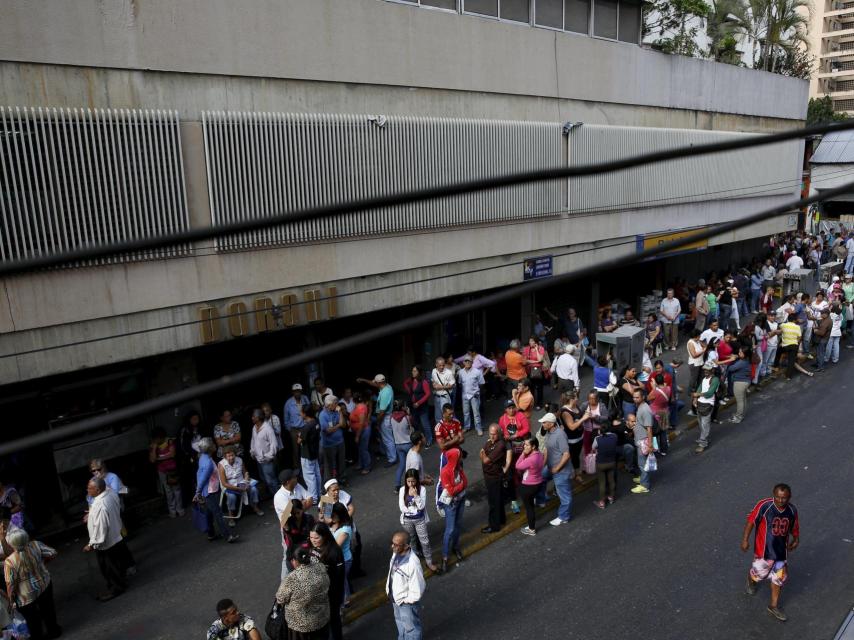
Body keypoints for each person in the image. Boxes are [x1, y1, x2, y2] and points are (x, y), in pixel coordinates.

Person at [742, 484, 800, 622]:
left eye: (784, 498)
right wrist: (745, 540)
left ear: (789, 497)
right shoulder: (764, 506)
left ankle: (773, 606)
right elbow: (751, 522)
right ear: (773, 495)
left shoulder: (792, 510)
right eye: (778, 497)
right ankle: (751, 580)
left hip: (780, 553)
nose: (780, 500)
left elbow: (794, 526)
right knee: (759, 575)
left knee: (778, 578)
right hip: (764, 552)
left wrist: (796, 539)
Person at [4, 529, 61, 640]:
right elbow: (53, 553)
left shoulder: (10, 562)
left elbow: (10, 584)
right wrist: (42, 563)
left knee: (32, 619)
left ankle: (37, 637)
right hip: (44, 584)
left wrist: (11, 599)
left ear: (11, 544)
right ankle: (54, 631)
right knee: (48, 610)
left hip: (25, 595)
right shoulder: (36, 545)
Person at [84, 477, 129, 600]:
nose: (87, 490)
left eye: (90, 488)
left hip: (106, 543)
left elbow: (100, 528)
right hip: (116, 536)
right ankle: (121, 583)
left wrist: (92, 544)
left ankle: (116, 589)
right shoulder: (110, 493)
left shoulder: (100, 505)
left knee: (108, 567)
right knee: (116, 563)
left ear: (98, 490)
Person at [276, 545, 330, 640]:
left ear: (294, 561)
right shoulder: (321, 567)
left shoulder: (292, 579)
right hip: (322, 617)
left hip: (301, 625)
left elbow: (280, 599)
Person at [195, 438, 238, 544]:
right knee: (218, 514)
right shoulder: (208, 463)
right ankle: (228, 536)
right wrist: (198, 492)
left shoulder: (203, 457)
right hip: (211, 491)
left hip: (207, 491)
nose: (215, 445)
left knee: (209, 513)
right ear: (210, 448)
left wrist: (199, 491)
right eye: (213, 444)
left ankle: (211, 534)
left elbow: (198, 473)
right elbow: (203, 478)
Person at [386, 530, 426, 640]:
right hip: (396, 599)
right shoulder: (396, 553)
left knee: (411, 629)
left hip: (405, 602)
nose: (392, 546)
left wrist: (405, 601)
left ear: (406, 546)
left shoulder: (413, 564)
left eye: (396, 545)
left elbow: (418, 589)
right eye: (392, 543)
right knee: (400, 622)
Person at [308, 523, 345, 640]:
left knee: (334, 619)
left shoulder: (334, 552)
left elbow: (339, 577)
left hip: (331, 594)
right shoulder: (312, 548)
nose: (313, 540)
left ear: (324, 536)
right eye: (311, 537)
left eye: (316, 538)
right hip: (316, 594)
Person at [274, 469, 312, 580]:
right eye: (294, 477)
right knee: (289, 555)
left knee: (306, 548)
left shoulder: (297, 486)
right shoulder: (279, 496)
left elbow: (310, 499)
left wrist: (299, 507)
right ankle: (284, 582)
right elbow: (293, 515)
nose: (296, 478)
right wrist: (301, 505)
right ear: (287, 482)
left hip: (303, 525)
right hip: (289, 530)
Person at [398, 470, 438, 573]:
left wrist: (415, 495)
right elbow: (402, 507)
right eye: (408, 481)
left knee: (425, 541)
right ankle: (415, 560)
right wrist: (414, 511)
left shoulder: (422, 489)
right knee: (412, 540)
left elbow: (421, 506)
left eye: (413, 481)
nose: (411, 484)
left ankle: (429, 562)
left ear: (417, 480)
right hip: (407, 520)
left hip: (419, 520)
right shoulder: (402, 490)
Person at [538, 413, 573, 526]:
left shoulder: (560, 435)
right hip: (550, 467)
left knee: (564, 496)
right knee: (540, 478)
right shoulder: (549, 433)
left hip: (560, 470)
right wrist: (542, 465)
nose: (542, 424)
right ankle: (542, 500)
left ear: (551, 423)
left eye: (544, 422)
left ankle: (564, 517)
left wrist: (557, 468)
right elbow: (547, 450)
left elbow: (566, 455)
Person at [357, 373, 396, 468]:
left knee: (388, 439)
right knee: (386, 438)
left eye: (376, 383)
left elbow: (382, 412)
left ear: (379, 383)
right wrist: (363, 380)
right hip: (386, 416)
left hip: (385, 418)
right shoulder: (386, 386)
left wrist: (378, 422)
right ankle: (386, 453)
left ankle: (392, 459)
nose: (374, 384)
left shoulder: (385, 393)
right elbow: (373, 384)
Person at [438, 447, 467, 573]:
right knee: (450, 530)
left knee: (458, 526)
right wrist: (461, 486)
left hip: (460, 499)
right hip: (451, 504)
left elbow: (466, 482)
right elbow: (450, 491)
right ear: (455, 458)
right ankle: (444, 557)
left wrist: (458, 487)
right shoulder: (445, 471)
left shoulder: (459, 468)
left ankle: (455, 547)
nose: (461, 458)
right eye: (459, 456)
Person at [218, 446, 264, 521]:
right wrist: (239, 488)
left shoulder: (239, 460)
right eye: (229, 456)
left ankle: (255, 506)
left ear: (235, 454)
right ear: (225, 457)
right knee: (232, 497)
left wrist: (246, 478)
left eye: (232, 455)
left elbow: (245, 472)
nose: (231, 457)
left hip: (241, 482)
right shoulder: (221, 465)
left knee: (254, 489)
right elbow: (224, 483)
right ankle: (231, 514)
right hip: (230, 486)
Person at [479, 424, 509, 535]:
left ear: (499, 433)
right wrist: (484, 455)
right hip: (490, 476)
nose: (491, 436)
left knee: (493, 502)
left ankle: (494, 526)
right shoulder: (490, 442)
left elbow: (485, 460)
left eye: (494, 434)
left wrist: (485, 455)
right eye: (490, 434)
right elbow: (481, 453)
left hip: (494, 478)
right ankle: (501, 520)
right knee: (498, 500)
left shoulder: (500, 445)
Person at [149, 426, 184, 518]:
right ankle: (172, 511)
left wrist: (159, 458)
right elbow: (152, 460)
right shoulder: (153, 446)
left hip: (172, 470)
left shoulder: (169, 441)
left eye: (157, 438)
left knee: (176, 490)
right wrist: (154, 448)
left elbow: (172, 454)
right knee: (168, 491)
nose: (156, 440)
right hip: (162, 471)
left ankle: (180, 509)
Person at [513, 435, 543, 536]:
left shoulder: (531, 459)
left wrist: (523, 454)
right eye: (524, 445)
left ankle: (531, 529)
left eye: (526, 445)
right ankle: (531, 525)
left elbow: (517, 465)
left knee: (529, 508)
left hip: (528, 486)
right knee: (531, 506)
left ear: (533, 446)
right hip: (537, 483)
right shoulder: (539, 454)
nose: (524, 447)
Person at [249, 408, 279, 498]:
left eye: (253, 416)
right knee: (264, 479)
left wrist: (267, 457)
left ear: (258, 418)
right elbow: (253, 440)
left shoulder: (268, 429)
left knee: (271, 481)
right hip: (258, 460)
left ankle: (277, 498)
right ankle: (271, 495)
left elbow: (274, 445)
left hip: (267, 461)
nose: (252, 418)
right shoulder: (254, 428)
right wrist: (252, 451)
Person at [630, 390, 655, 494]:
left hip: (643, 441)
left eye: (637, 397)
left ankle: (644, 485)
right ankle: (643, 478)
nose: (635, 399)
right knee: (642, 462)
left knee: (642, 464)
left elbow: (649, 428)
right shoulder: (640, 407)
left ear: (643, 397)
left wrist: (650, 444)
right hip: (640, 440)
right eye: (634, 397)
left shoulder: (645, 410)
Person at [329, 503, 354, 606]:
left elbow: (336, 546)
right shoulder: (333, 523)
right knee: (341, 580)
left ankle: (344, 601)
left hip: (344, 560)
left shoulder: (345, 529)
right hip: (335, 559)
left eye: (333, 515)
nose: (331, 517)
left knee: (341, 581)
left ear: (340, 515)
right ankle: (345, 600)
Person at [318, 396, 346, 484]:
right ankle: (330, 483)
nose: (337, 405)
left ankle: (342, 479)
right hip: (329, 444)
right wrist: (338, 425)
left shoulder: (337, 411)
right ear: (329, 405)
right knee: (329, 465)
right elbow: (327, 431)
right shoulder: (323, 415)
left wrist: (340, 412)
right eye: (335, 403)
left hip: (340, 441)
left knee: (341, 462)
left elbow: (344, 425)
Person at [692, 362, 719, 453]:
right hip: (700, 404)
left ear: (713, 370)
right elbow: (700, 388)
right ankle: (703, 438)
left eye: (708, 369)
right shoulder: (704, 379)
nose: (706, 371)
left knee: (705, 425)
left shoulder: (715, 380)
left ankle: (702, 444)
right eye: (705, 370)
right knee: (701, 423)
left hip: (708, 405)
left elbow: (710, 393)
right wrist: (695, 398)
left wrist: (698, 395)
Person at [403, 366, 432, 446]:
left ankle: (429, 439)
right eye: (412, 371)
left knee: (425, 424)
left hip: (422, 407)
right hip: (413, 407)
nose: (413, 372)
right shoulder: (411, 380)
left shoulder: (423, 382)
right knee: (415, 424)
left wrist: (418, 403)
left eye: (415, 371)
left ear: (419, 372)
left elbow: (428, 394)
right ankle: (419, 439)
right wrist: (409, 391)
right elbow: (405, 383)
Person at [298, 405, 322, 502]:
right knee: (317, 474)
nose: (300, 414)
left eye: (301, 412)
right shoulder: (316, 421)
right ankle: (319, 493)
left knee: (309, 477)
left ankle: (314, 498)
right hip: (314, 452)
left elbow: (299, 441)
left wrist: (299, 435)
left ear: (305, 414)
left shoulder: (306, 427)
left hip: (307, 454)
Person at [457, 355, 486, 435]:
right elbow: (460, 383)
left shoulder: (477, 372)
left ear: (472, 362)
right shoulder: (461, 372)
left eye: (469, 361)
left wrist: (477, 392)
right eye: (466, 361)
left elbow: (481, 383)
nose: (467, 362)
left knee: (476, 413)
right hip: (464, 395)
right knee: (466, 412)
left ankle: (478, 428)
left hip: (474, 395)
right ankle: (467, 427)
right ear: (463, 362)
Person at [284, 383, 310, 469]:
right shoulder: (288, 403)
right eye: (295, 391)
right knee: (296, 450)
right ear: (293, 392)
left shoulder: (305, 399)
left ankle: (307, 466)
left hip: (304, 427)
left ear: (301, 391)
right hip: (294, 429)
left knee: (306, 448)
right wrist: (291, 430)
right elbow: (286, 419)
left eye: (299, 391)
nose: (297, 393)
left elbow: (309, 411)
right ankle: (297, 468)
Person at [592, 425, 618, 509]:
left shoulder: (597, 439)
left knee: (602, 483)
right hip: (612, 462)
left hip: (601, 463)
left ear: (600, 431)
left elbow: (593, 448)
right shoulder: (614, 436)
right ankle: (611, 497)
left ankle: (602, 502)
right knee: (611, 480)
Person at [347, 392, 372, 475]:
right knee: (360, 448)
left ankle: (367, 467)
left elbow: (361, 423)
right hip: (360, 430)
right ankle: (361, 464)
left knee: (364, 449)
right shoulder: (358, 406)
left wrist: (357, 436)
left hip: (363, 430)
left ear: (354, 400)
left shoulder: (361, 408)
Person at [390, 401, 413, 491]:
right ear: (402, 408)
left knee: (402, 465)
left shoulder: (391, 418)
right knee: (411, 464)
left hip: (398, 444)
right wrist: (409, 413)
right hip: (407, 443)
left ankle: (397, 485)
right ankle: (412, 484)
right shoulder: (407, 417)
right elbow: (411, 425)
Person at [521, 336, 547, 410]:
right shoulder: (526, 349)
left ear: (536, 342)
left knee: (539, 388)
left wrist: (536, 349)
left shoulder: (541, 348)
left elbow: (540, 359)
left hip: (538, 371)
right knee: (530, 388)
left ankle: (539, 403)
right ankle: (531, 402)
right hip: (529, 371)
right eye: (530, 341)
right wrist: (535, 361)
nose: (530, 342)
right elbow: (525, 361)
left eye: (532, 341)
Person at [429, 357, 456, 425]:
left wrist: (440, 387)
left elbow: (452, 385)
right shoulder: (434, 371)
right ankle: (439, 430)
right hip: (437, 396)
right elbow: (433, 381)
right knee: (437, 416)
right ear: (436, 365)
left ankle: (450, 429)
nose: (442, 367)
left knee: (447, 415)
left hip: (445, 397)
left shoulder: (449, 372)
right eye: (440, 365)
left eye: (443, 365)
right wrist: (434, 384)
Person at [779, 313, 802, 380]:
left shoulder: (783, 325)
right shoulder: (797, 327)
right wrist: (796, 343)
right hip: (794, 345)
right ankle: (788, 376)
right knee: (791, 360)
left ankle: (776, 366)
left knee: (779, 353)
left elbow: (780, 328)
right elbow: (799, 337)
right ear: (794, 320)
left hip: (785, 346)